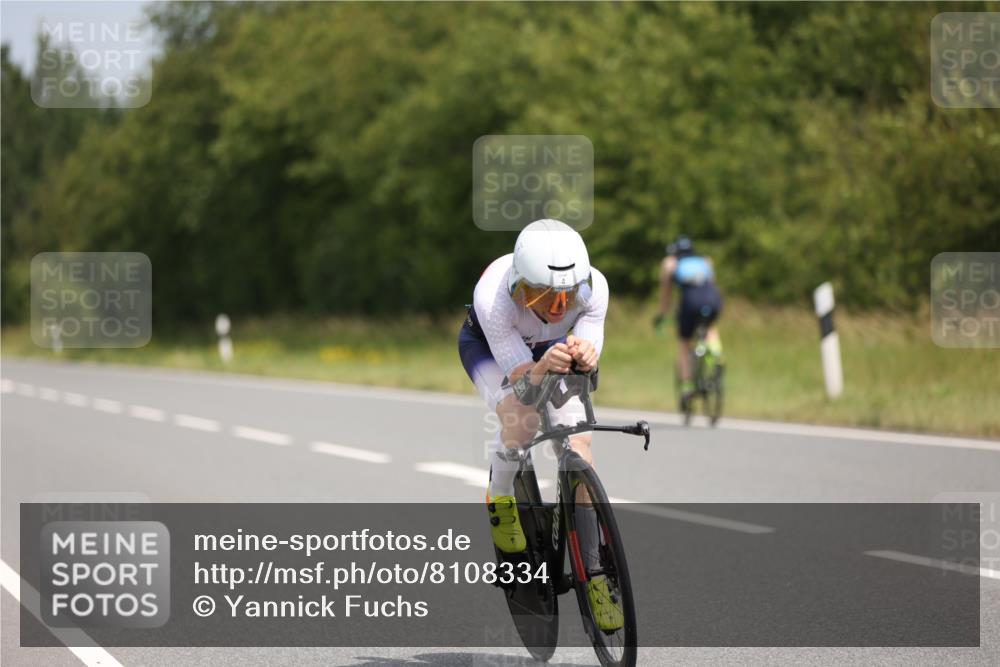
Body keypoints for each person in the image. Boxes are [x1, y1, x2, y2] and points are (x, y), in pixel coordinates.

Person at [458, 218, 621, 630]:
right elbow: (524, 386)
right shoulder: (494, 301)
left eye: (566, 294)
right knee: (521, 418)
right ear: (519, 286)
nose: (557, 307)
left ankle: (596, 570)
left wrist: (587, 356)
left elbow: (589, 359)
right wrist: (539, 368)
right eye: (543, 294)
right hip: (491, 351)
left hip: (551, 349)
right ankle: (499, 498)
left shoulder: (594, 288)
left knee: (579, 443)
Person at [654, 235, 724, 409]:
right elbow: (711, 283)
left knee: (685, 343)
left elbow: (666, 293)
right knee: (709, 326)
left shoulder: (670, 263)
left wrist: (662, 315)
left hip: (690, 301)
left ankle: (686, 388)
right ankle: (716, 355)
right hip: (713, 300)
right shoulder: (705, 260)